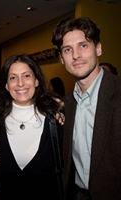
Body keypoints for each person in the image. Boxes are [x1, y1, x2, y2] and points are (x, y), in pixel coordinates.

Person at [52, 17, 121, 200]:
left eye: (83, 45)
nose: (76, 55)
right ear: (61, 58)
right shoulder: (68, 104)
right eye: (68, 50)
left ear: (98, 48)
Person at [0, 55, 64, 200]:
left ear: (36, 80)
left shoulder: (54, 120)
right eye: (13, 78)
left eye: (26, 76)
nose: (20, 83)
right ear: (6, 85)